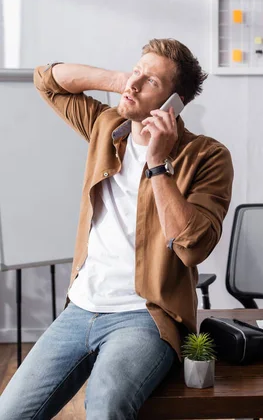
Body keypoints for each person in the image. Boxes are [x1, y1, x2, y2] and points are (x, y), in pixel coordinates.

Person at [0, 38, 234, 420]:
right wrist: (121, 80)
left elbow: (192, 246)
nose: (136, 84)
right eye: (136, 71)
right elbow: (47, 80)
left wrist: (158, 165)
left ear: (173, 104)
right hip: (80, 307)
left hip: (145, 316)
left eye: (151, 82)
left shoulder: (206, 156)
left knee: (106, 408)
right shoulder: (107, 126)